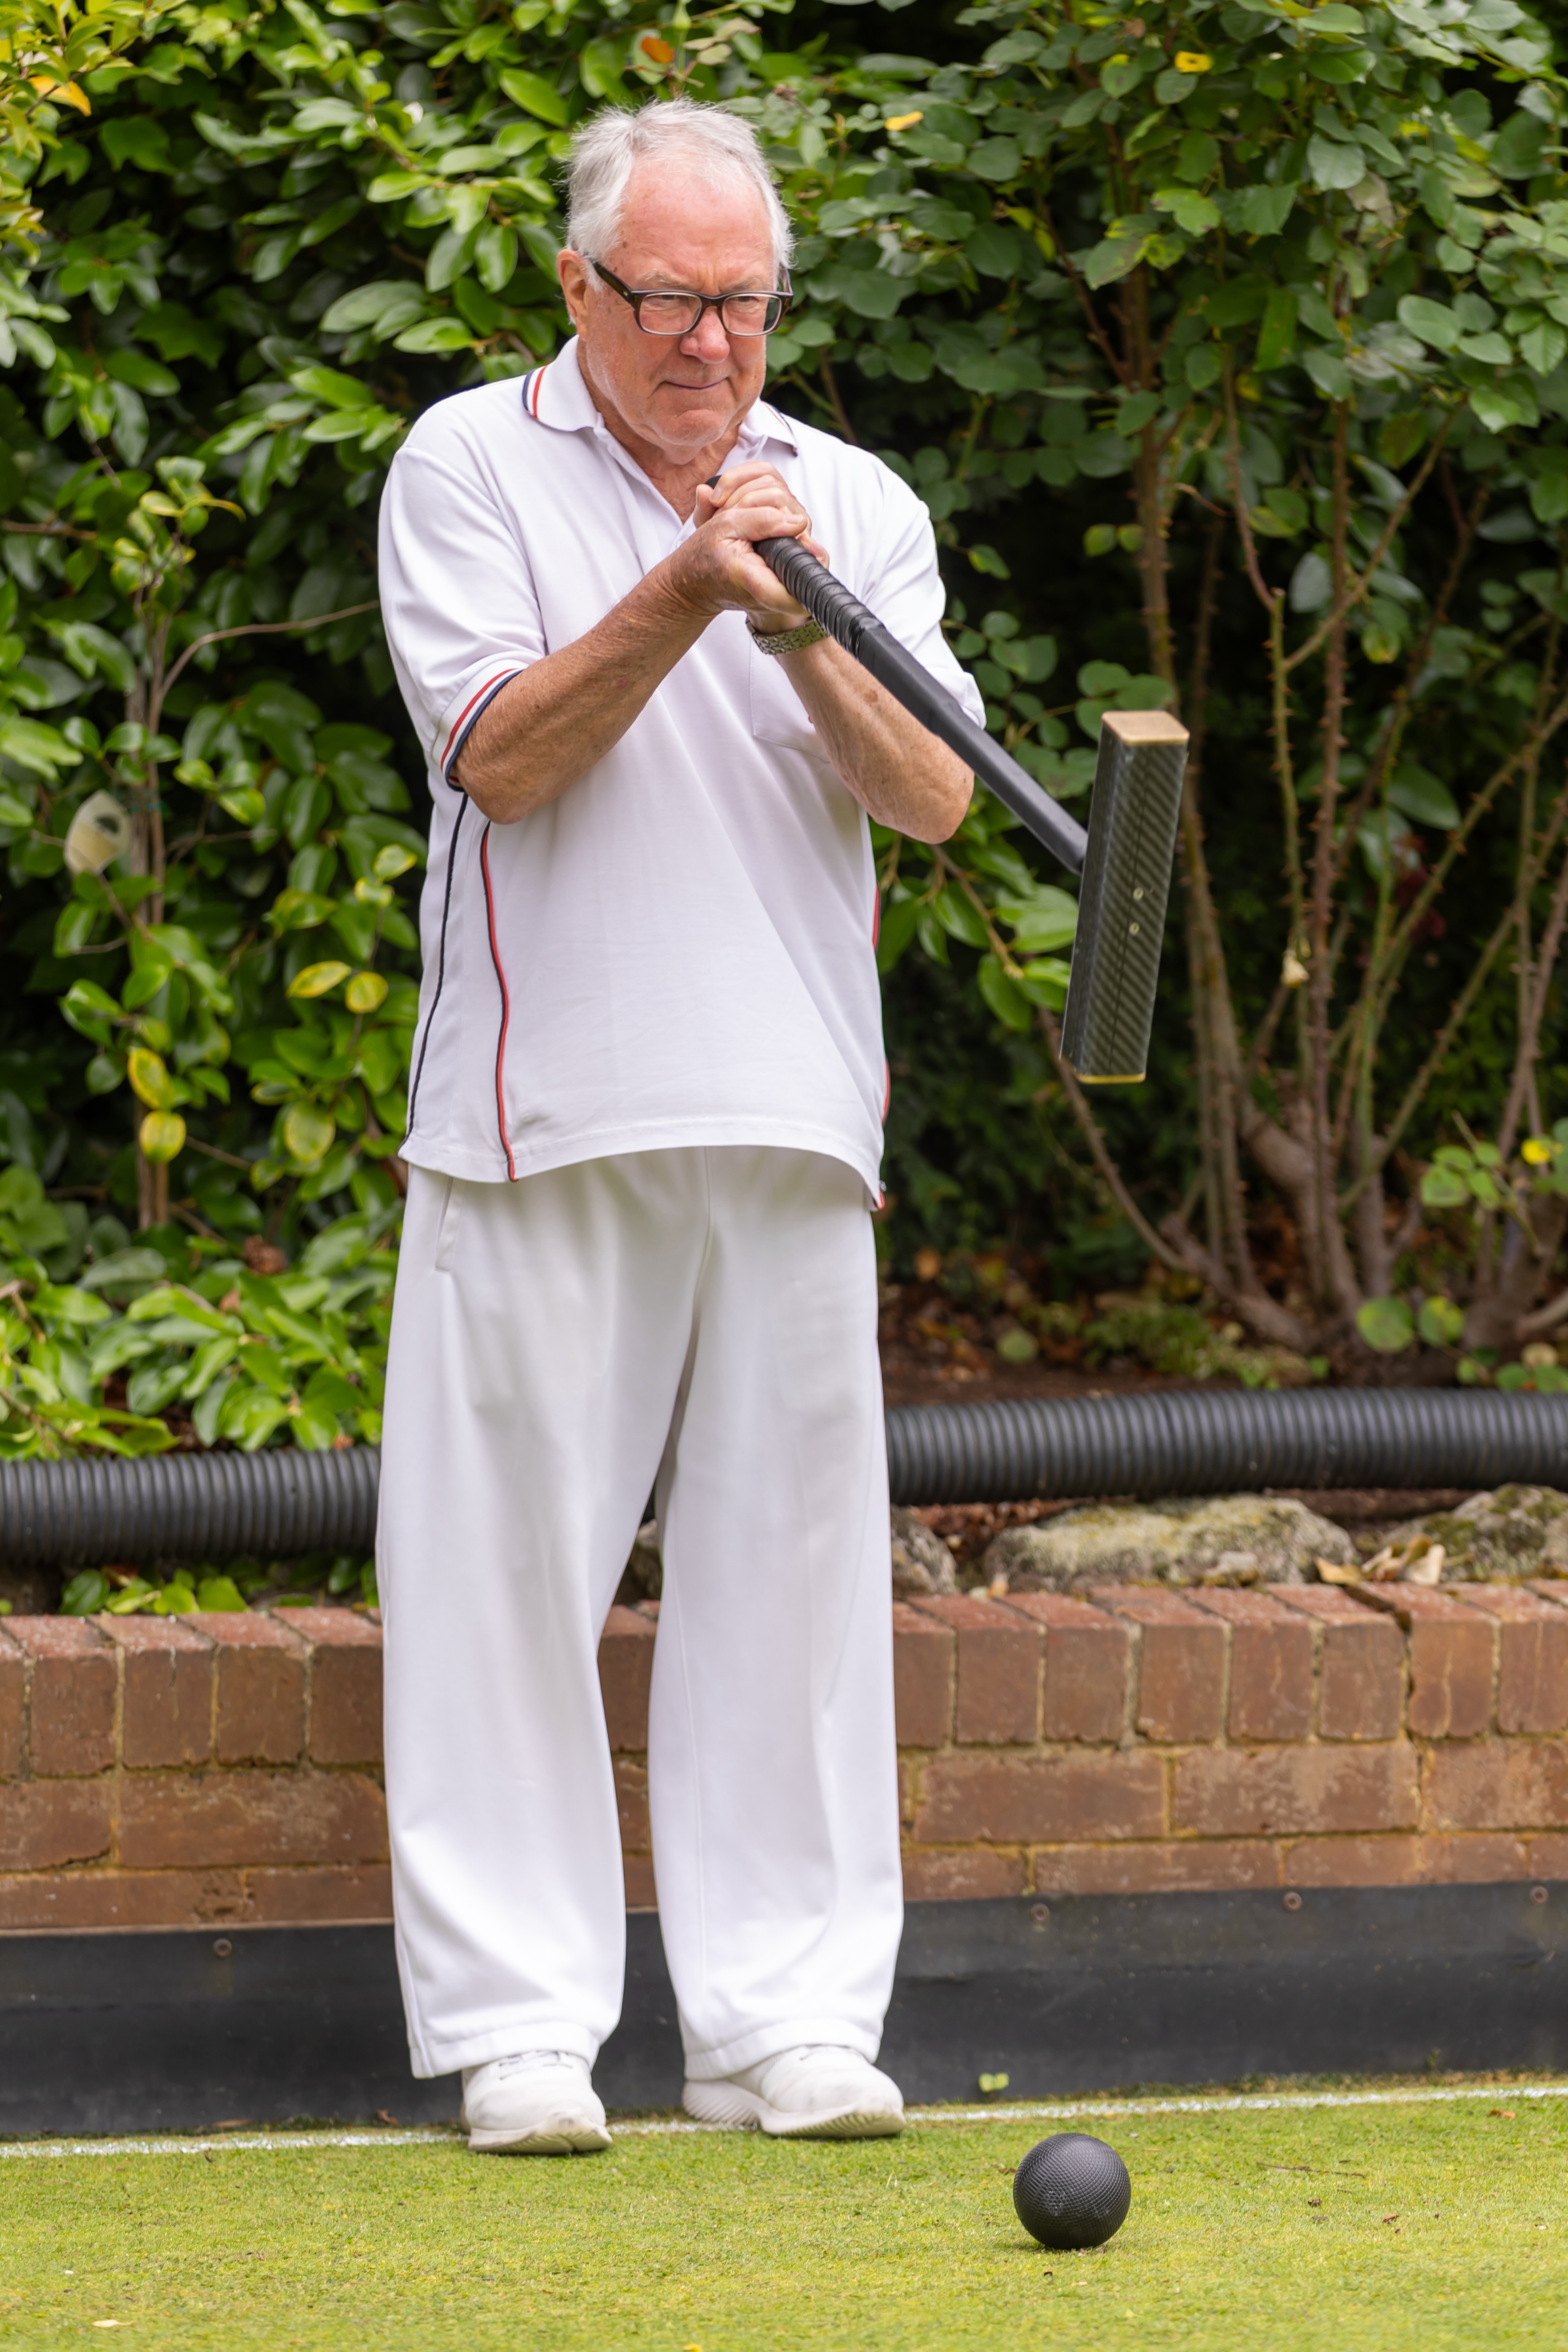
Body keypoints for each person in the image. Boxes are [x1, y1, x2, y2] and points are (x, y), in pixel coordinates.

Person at [375, 95, 977, 2157]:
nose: (709, 340)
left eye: (742, 301)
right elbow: (503, 756)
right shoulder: (467, 460)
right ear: (578, 288)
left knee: (793, 1582)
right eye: (666, 299)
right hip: (539, 1112)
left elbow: (934, 796)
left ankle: (783, 2018)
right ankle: (519, 2026)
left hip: (795, 1112)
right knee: (500, 1577)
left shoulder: (854, 500)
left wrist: (798, 611)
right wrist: (677, 591)